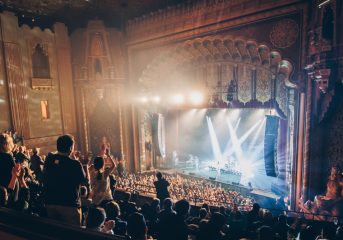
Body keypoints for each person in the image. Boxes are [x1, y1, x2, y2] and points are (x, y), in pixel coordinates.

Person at [43, 134, 88, 226]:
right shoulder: (75, 164)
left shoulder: (49, 160)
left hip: (50, 203)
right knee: (72, 235)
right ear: (71, 148)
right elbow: (85, 181)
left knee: (56, 233)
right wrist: (84, 165)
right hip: (69, 205)